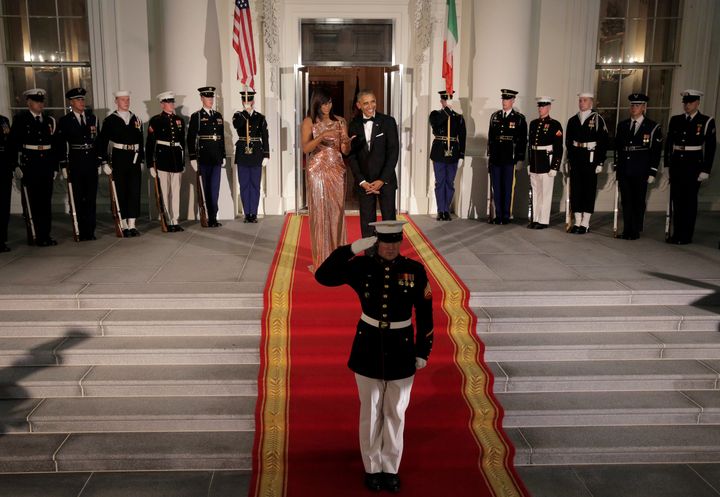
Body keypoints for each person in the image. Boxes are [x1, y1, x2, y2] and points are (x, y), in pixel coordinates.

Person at [314, 220, 434, 494]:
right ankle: (371, 467)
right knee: (370, 411)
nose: (390, 247)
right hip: (368, 346)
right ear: (376, 242)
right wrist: (350, 249)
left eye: (395, 242)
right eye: (385, 242)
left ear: (401, 241)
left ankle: (390, 468)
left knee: (395, 412)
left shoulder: (414, 271)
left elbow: (426, 314)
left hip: (402, 349)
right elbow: (323, 276)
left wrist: (422, 351)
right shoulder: (361, 267)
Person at [301, 88, 350, 269]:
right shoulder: (309, 121)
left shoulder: (341, 121)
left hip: (337, 169)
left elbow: (344, 151)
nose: (327, 106)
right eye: (323, 103)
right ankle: (321, 261)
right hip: (317, 170)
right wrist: (320, 135)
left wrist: (346, 141)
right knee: (320, 214)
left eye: (329, 102)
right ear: (316, 103)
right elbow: (306, 149)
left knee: (337, 213)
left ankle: (338, 258)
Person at [7, 88, 59, 246]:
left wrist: (55, 166)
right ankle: (34, 235)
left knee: (45, 202)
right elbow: (12, 145)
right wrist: (15, 166)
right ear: (29, 102)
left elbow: (54, 146)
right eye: (37, 101)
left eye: (42, 101)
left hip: (46, 165)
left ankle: (45, 235)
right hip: (30, 165)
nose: (40, 104)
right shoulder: (21, 120)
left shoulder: (49, 121)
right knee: (32, 202)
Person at [664, 89, 716, 245]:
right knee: (677, 201)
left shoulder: (706, 121)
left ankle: (686, 235)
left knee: (689, 202)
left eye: (690, 102)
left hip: (693, 166)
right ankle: (677, 233)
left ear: (697, 103)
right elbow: (669, 144)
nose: (687, 105)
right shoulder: (676, 120)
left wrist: (706, 169)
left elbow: (711, 148)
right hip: (677, 165)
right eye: (685, 102)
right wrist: (667, 165)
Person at [348, 90, 400, 239]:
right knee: (367, 223)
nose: (371, 106)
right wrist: (362, 181)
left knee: (389, 222)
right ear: (359, 105)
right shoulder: (354, 125)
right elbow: (352, 156)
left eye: (373, 101)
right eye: (366, 103)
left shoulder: (388, 122)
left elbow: (393, 153)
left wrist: (382, 180)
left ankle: (390, 258)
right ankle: (370, 257)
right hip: (365, 183)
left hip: (386, 181)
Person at [613, 93, 663, 240]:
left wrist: (652, 171)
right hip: (625, 168)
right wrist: (617, 167)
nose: (634, 108)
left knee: (638, 201)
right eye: (632, 105)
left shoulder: (653, 127)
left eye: (637, 105)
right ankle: (628, 229)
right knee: (626, 201)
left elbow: (655, 151)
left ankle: (635, 229)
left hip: (641, 169)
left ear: (644, 107)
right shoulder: (622, 125)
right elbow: (618, 148)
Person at [97, 90, 144, 237]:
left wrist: (141, 159)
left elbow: (141, 141)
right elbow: (102, 142)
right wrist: (104, 161)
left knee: (134, 190)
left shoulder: (136, 118)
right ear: (116, 102)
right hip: (119, 157)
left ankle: (132, 224)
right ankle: (123, 224)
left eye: (128, 99)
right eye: (123, 100)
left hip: (134, 157)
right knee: (121, 190)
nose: (126, 102)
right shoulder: (110, 120)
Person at [56, 87, 100, 241]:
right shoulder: (65, 121)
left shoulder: (92, 118)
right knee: (78, 197)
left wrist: (99, 161)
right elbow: (61, 144)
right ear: (71, 102)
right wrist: (62, 165)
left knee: (90, 198)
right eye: (78, 100)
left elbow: (97, 141)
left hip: (90, 162)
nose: (82, 102)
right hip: (76, 162)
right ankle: (80, 229)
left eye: (83, 99)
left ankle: (90, 230)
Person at [564, 92, 608, 234]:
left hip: (591, 158)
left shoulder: (598, 119)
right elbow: (569, 142)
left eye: (584, 100)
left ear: (591, 103)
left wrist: (600, 162)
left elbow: (602, 142)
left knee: (588, 190)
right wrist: (568, 159)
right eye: (580, 100)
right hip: (576, 158)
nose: (581, 103)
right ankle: (577, 221)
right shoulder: (573, 120)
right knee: (576, 189)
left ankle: (585, 222)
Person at [146, 91, 186, 232]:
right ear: (162, 104)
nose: (172, 105)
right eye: (169, 102)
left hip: (176, 159)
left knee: (176, 191)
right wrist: (150, 164)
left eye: (172, 102)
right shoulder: (155, 120)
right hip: (163, 158)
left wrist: (183, 162)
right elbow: (150, 144)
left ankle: (175, 220)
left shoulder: (179, 119)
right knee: (164, 191)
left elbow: (182, 143)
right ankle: (167, 219)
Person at [487, 89, 527, 224]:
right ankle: (498, 215)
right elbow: (491, 138)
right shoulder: (495, 116)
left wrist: (520, 158)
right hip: (496, 157)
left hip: (510, 157)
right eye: (503, 99)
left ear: (513, 101)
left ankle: (506, 215)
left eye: (507, 99)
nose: (504, 102)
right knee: (496, 187)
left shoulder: (519, 119)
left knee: (507, 187)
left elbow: (522, 141)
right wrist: (490, 156)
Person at [187, 86, 226, 228]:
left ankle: (213, 217)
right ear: (202, 98)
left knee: (214, 188)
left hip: (216, 157)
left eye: (211, 98)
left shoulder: (218, 116)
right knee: (205, 188)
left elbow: (221, 137)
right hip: (203, 157)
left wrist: (223, 155)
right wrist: (192, 157)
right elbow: (191, 138)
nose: (210, 100)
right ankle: (207, 216)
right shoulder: (196, 116)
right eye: (207, 98)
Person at [429, 90, 466, 221]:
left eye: (449, 100)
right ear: (441, 101)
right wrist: (447, 111)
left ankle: (447, 209)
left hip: (453, 153)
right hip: (439, 152)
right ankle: (441, 210)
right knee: (440, 182)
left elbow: (462, 137)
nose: (446, 102)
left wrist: (461, 155)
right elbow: (436, 123)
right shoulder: (435, 114)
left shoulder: (459, 117)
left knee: (449, 182)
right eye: (445, 100)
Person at [233, 90, 269, 223]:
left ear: (253, 101)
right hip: (242, 152)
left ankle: (253, 213)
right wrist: (245, 114)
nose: (247, 103)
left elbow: (265, 136)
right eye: (245, 101)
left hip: (256, 153)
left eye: (249, 101)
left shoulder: (260, 117)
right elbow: (237, 126)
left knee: (255, 184)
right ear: (242, 102)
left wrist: (266, 154)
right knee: (244, 184)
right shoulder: (238, 116)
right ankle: (246, 213)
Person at [527, 97, 563, 229]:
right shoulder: (533, 123)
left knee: (545, 193)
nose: (540, 109)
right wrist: (529, 163)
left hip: (546, 162)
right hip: (535, 162)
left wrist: (555, 166)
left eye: (542, 106)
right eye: (539, 106)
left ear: (549, 107)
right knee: (535, 192)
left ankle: (543, 220)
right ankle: (535, 219)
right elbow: (530, 146)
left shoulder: (555, 124)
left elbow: (558, 147)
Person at [0, 113, 10, 252]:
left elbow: (9, 144)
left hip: (3, 167)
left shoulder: (3, 120)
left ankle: (1, 240)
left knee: (3, 207)